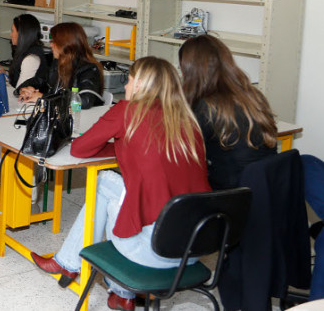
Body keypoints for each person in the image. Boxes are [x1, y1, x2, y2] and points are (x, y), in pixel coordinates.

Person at [29, 57, 211, 310]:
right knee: (128, 194)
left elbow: (81, 147)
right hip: (193, 251)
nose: (125, 87)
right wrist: (123, 144)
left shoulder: (128, 111)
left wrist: (116, 143)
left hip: (151, 253)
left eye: (129, 81)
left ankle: (69, 264)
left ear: (139, 85)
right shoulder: (187, 120)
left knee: (104, 182)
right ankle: (119, 292)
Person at [179, 35, 277, 190]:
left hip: (229, 198)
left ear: (189, 72)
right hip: (265, 193)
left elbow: (183, 156)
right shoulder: (253, 96)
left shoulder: (206, 108)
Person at [18, 21, 104, 109]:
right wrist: (25, 90)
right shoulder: (58, 63)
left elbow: (85, 101)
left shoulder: (89, 69)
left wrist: (44, 97)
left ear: (66, 45)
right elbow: (40, 81)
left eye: (54, 42)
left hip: (80, 119)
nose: (51, 45)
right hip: (59, 115)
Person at [0, 14, 49, 90]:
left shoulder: (31, 59)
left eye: (13, 31)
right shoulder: (26, 51)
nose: (11, 34)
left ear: (22, 34)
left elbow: (19, 91)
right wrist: (2, 72)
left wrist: (1, 77)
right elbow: (16, 80)